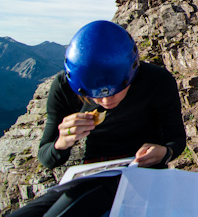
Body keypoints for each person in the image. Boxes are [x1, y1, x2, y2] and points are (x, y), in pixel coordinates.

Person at [9, 20, 186, 217]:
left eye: (117, 90)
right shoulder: (63, 88)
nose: (105, 100)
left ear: (132, 71)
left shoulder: (157, 81)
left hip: (143, 174)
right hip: (90, 174)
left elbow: (176, 138)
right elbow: (47, 157)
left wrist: (165, 152)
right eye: (94, 95)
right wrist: (62, 143)